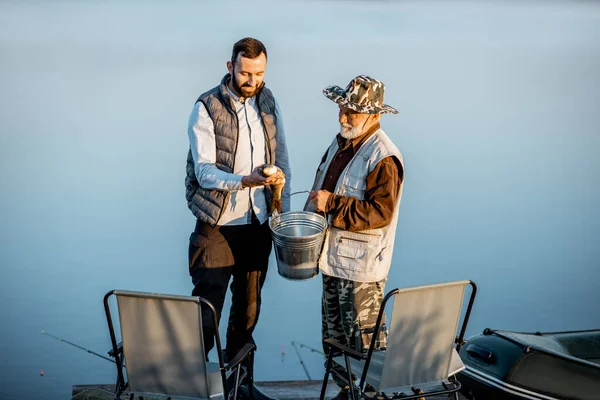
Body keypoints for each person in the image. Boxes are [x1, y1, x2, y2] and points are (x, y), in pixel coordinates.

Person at [185, 37, 291, 399]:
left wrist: (283, 216)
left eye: (259, 73)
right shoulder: (206, 106)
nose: (252, 80)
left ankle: (240, 388)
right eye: (245, 73)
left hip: (257, 224)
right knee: (206, 314)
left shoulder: (268, 100)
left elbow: (283, 158)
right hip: (216, 226)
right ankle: (194, 388)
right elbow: (203, 172)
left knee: (247, 313)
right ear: (230, 67)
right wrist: (243, 181)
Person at [305, 75, 404, 400]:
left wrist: (331, 203)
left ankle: (372, 396)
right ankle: (348, 393)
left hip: (362, 272)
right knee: (334, 341)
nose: (343, 117)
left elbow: (380, 214)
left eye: (352, 112)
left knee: (368, 349)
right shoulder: (342, 142)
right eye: (342, 108)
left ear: (375, 115)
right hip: (332, 261)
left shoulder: (383, 157)